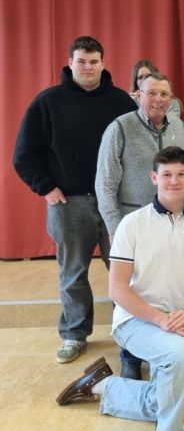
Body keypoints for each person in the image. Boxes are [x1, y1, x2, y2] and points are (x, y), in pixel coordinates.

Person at [56, 146, 184, 431]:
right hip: (135, 320)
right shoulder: (132, 224)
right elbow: (117, 289)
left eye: (181, 174)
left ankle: (103, 386)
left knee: (165, 398)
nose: (174, 181)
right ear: (154, 178)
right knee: (182, 358)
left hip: (178, 320)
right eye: (166, 174)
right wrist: (160, 320)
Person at [13, 36, 137, 364]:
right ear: (70, 63)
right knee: (72, 273)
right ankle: (74, 334)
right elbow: (24, 155)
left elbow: (136, 151)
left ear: (103, 63)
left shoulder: (121, 102)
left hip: (115, 204)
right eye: (81, 61)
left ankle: (132, 331)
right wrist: (46, 188)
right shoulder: (47, 102)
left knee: (126, 271)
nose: (88, 67)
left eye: (94, 61)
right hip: (68, 204)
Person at [96, 73, 184, 379]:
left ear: (171, 98)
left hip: (170, 222)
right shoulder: (119, 127)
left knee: (161, 286)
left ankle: (160, 347)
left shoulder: (178, 126)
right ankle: (130, 356)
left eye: (164, 94)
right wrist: (114, 228)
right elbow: (105, 183)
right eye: (152, 93)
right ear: (138, 95)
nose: (158, 100)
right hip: (131, 224)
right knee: (130, 289)